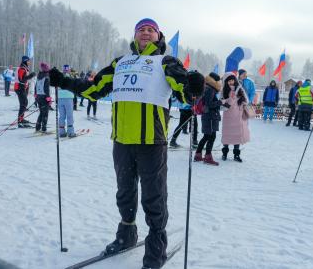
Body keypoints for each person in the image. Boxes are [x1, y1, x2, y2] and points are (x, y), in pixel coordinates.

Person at [49, 18, 204, 269]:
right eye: (141, 29)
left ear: (158, 36)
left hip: (151, 142)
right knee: (125, 193)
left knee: (154, 198)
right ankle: (127, 234)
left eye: (150, 30)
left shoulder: (166, 62)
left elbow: (184, 93)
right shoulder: (120, 63)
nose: (145, 33)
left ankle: (155, 251)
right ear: (134, 35)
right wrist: (64, 82)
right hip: (121, 140)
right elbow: (94, 89)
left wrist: (194, 86)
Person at [193, 72, 224, 165]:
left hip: (208, 116)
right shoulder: (210, 89)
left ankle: (198, 155)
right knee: (211, 136)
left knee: (206, 136)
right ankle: (208, 157)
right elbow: (209, 104)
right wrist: (220, 102)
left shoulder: (206, 88)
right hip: (210, 116)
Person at [221, 72, 250, 162]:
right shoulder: (223, 91)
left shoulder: (240, 89)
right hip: (228, 117)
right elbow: (222, 105)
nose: (231, 82)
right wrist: (231, 99)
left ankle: (236, 155)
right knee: (227, 136)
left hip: (238, 116)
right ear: (226, 82)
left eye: (232, 80)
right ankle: (224, 153)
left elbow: (246, 101)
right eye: (229, 81)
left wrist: (241, 100)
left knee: (237, 136)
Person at [14, 55, 36, 128]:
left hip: (23, 87)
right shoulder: (22, 69)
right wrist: (31, 76)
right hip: (20, 87)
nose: (29, 62)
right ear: (25, 61)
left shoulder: (24, 68)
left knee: (24, 103)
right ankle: (20, 121)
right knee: (23, 103)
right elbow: (22, 79)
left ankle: (21, 119)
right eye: (28, 61)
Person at [58, 65, 77, 137]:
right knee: (69, 115)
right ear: (68, 70)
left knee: (62, 116)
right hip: (68, 97)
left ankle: (62, 132)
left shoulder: (59, 77)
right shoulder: (70, 77)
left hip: (60, 97)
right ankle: (70, 132)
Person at [34, 62, 52, 132]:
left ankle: (37, 127)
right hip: (44, 97)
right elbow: (46, 89)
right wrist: (49, 99)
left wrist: (36, 96)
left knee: (41, 112)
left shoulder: (39, 76)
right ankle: (44, 128)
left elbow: (35, 87)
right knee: (45, 113)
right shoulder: (46, 77)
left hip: (38, 96)